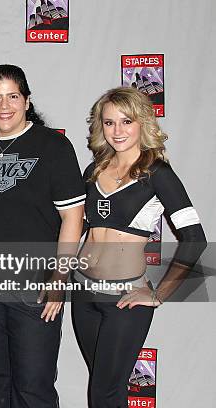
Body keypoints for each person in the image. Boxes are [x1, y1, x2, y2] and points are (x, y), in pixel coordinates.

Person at [0, 64, 85, 407]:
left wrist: (59, 279)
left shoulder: (53, 147)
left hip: (34, 281)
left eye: (13, 95)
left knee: (33, 385)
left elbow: (73, 218)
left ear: (27, 101)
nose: (4, 105)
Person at [72, 86, 207, 408]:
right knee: (107, 389)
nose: (117, 131)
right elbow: (75, 226)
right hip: (83, 293)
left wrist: (157, 294)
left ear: (142, 123)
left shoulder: (158, 174)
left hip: (125, 299)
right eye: (109, 123)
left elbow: (195, 238)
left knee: (104, 393)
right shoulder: (93, 170)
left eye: (126, 121)